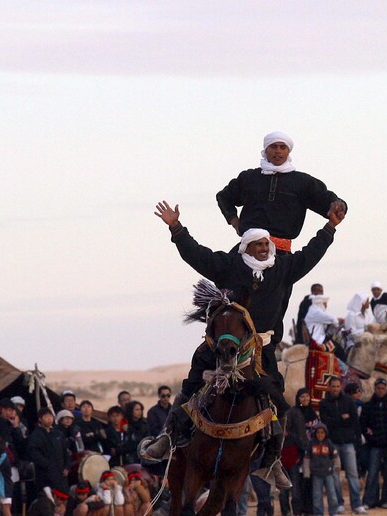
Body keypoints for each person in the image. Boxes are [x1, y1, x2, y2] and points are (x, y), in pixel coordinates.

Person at [146, 198, 345, 489]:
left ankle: (272, 460)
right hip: (224, 340)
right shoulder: (229, 265)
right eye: (259, 244)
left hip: (260, 347)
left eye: (267, 244)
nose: (265, 248)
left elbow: (310, 254)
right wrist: (176, 228)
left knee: (278, 400)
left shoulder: (284, 268)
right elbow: (197, 256)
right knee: (191, 383)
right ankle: (168, 436)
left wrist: (329, 228)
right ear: (246, 248)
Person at [215, 131, 347, 247]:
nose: (278, 151)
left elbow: (328, 200)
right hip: (249, 249)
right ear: (266, 150)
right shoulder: (249, 178)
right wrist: (234, 221)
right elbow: (224, 197)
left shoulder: (302, 182)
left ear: (288, 151)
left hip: (282, 256)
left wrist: (338, 206)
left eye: (283, 147)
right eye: (273, 146)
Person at [319, 377, 366, 514]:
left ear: (341, 387)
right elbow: (326, 422)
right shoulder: (324, 403)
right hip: (333, 443)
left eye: (338, 386)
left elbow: (353, 421)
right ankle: (339, 503)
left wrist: (356, 439)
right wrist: (341, 418)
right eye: (333, 386)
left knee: (353, 474)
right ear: (329, 387)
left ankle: (357, 504)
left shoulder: (348, 401)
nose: (335, 389)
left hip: (348, 443)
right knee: (335, 476)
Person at [360, 378, 387, 510]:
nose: (380, 390)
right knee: (372, 472)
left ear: (386, 389)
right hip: (374, 445)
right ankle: (369, 500)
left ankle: (386, 500)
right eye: (378, 388)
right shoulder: (368, 406)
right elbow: (363, 424)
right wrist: (369, 434)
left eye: (383, 388)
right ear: (374, 389)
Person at [279, 388, 315, 516]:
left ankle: (302, 510)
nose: (305, 399)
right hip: (293, 453)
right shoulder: (293, 412)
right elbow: (285, 431)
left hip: (308, 453)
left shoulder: (312, 413)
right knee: (287, 489)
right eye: (302, 397)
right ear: (298, 398)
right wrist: (295, 441)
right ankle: (287, 512)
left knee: (302, 486)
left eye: (307, 396)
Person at [28, 407, 70, 495]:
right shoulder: (36, 435)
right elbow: (34, 454)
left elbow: (65, 451)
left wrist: (67, 466)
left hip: (61, 473)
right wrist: (48, 465)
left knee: (64, 498)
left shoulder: (58, 433)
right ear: (40, 419)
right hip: (45, 475)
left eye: (51, 416)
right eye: (46, 417)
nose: (49, 419)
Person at [302, 423, 340, 516]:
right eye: (318, 433)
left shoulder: (329, 443)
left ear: (325, 433)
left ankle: (333, 512)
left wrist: (337, 466)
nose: (320, 435)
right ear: (315, 433)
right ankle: (318, 513)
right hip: (316, 474)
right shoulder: (311, 444)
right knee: (317, 496)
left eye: (322, 433)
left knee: (332, 494)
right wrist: (306, 473)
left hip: (328, 472)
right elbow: (307, 459)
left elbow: (335, 456)